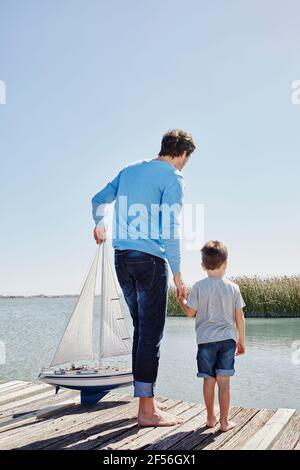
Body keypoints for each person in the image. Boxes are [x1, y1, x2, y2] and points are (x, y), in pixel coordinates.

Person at [92, 129, 196, 426]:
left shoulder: (129, 169)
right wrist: (177, 274)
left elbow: (98, 199)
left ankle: (147, 400)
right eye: (187, 159)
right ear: (183, 154)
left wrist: (100, 224)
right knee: (151, 334)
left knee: (142, 331)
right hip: (150, 260)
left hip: (121, 259)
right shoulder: (173, 178)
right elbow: (171, 228)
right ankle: (146, 413)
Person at [179, 240, 246, 432]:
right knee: (224, 383)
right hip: (227, 341)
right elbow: (239, 317)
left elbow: (190, 312)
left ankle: (210, 418)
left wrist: (182, 299)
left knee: (208, 380)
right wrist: (241, 340)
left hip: (205, 342)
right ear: (225, 263)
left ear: (203, 266)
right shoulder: (233, 287)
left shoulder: (199, 287)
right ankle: (224, 422)